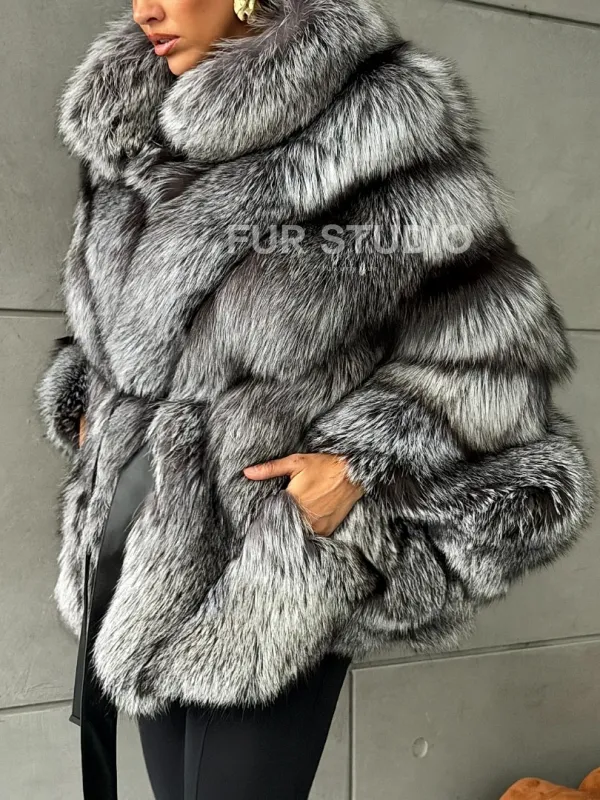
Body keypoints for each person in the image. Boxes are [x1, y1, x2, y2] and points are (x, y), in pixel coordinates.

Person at [37, 0, 594, 798]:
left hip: (275, 567)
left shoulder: (377, 126)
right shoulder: (126, 133)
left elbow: (492, 355)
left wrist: (360, 470)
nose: (145, 8)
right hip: (143, 548)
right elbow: (111, 333)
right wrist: (90, 405)